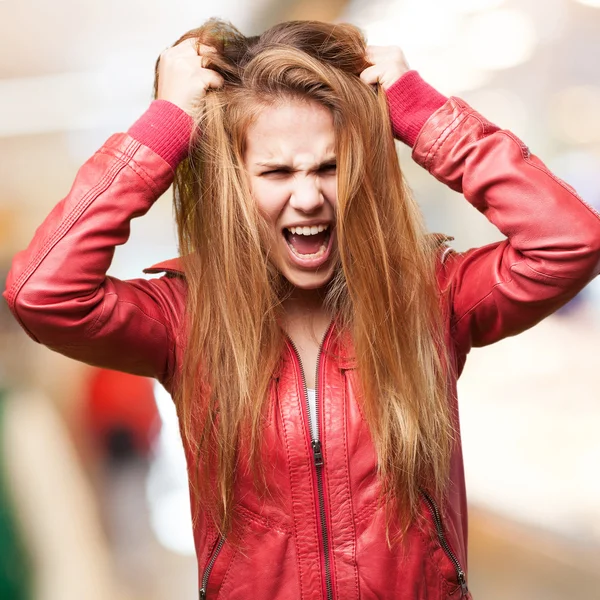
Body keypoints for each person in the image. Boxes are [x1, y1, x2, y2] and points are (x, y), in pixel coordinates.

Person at [3, 18, 600, 600]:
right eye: (276, 171)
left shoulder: (430, 298)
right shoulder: (187, 320)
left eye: (329, 167)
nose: (309, 197)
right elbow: (42, 291)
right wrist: (164, 130)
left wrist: (423, 114)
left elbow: (570, 241)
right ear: (235, 185)